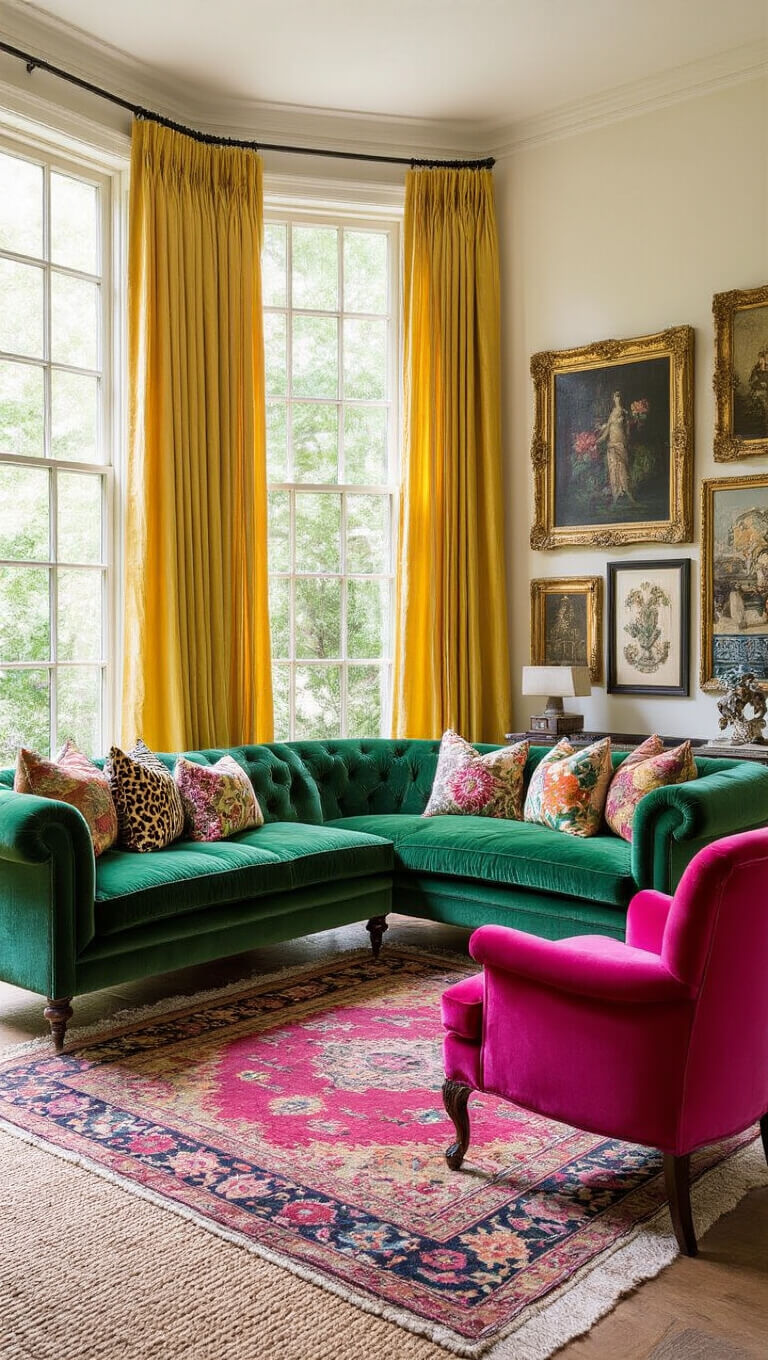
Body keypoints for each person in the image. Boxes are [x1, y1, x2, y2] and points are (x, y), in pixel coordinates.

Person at [595, 390, 637, 505]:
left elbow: (628, 431)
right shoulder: (612, 412)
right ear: (613, 398)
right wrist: (597, 441)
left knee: (623, 467)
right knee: (613, 468)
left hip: (621, 443)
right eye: (616, 396)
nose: (618, 398)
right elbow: (608, 429)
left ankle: (626, 491)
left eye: (619, 396)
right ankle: (616, 493)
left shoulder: (625, 412)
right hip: (611, 444)